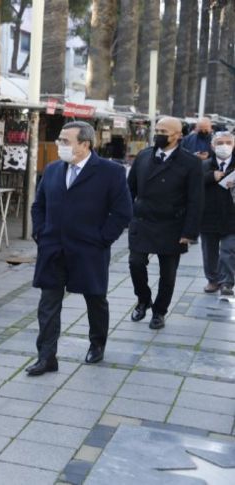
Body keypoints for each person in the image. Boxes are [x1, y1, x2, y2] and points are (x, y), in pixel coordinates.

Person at [27, 121, 132, 376]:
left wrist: (102, 239)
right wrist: (40, 232)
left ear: (84, 144)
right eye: (59, 140)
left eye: (65, 141)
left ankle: (97, 343)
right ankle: (46, 356)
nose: (59, 145)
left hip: (89, 249)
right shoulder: (52, 170)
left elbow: (122, 212)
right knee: (48, 303)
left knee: (95, 299)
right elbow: (38, 205)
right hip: (52, 248)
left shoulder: (110, 172)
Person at [128, 117, 203, 330]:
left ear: (178, 135)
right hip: (143, 221)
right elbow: (129, 189)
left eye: (164, 131)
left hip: (172, 225)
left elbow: (196, 200)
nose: (159, 133)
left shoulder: (191, 163)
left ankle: (159, 311)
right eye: (157, 129)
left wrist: (190, 232)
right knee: (135, 263)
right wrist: (126, 216)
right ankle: (143, 299)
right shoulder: (143, 156)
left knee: (167, 274)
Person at [200, 131, 235, 295]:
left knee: (228, 250)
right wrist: (210, 177)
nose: (224, 146)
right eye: (220, 143)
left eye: (228, 142)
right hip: (208, 215)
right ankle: (213, 280)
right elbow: (192, 186)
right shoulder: (204, 165)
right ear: (213, 146)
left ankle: (227, 282)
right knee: (209, 251)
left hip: (231, 216)